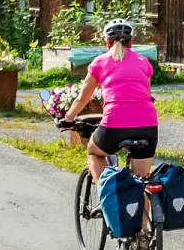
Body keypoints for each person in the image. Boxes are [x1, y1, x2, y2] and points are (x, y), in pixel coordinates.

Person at [62, 19, 158, 186]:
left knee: (93, 152)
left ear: (107, 42)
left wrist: (68, 118)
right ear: (132, 41)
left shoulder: (99, 62)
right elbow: (146, 95)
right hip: (148, 125)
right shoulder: (144, 62)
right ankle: (144, 212)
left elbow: (83, 98)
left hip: (114, 123)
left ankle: (109, 194)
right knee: (142, 185)